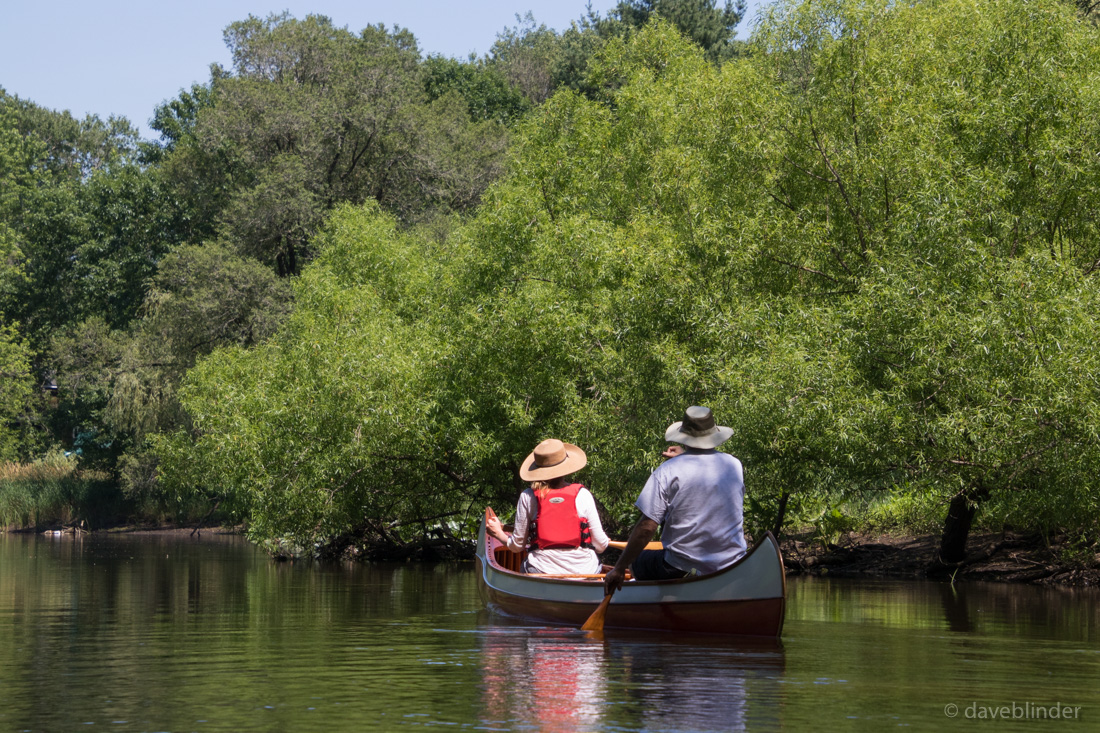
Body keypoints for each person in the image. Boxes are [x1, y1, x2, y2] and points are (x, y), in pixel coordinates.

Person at [604, 406, 745, 593]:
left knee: (638, 561)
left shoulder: (668, 471)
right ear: (712, 434)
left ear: (684, 437)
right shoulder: (733, 465)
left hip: (681, 568)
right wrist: (685, 458)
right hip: (732, 563)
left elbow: (647, 528)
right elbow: (701, 474)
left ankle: (655, 603)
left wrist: (620, 568)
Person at [485, 438, 610, 574]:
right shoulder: (583, 495)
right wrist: (603, 540)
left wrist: (498, 533)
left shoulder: (528, 496)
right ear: (566, 468)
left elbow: (517, 546)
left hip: (542, 569)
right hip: (586, 571)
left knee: (525, 564)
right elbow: (600, 546)